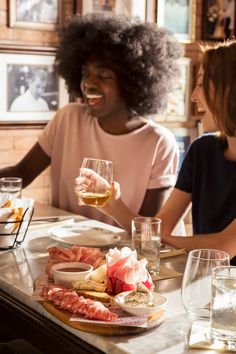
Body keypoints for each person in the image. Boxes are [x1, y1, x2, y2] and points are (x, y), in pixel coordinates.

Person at [1, 12, 181, 227]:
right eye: (86, 74)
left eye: (104, 76)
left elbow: (148, 227)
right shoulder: (68, 118)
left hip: (120, 257)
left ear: (132, 83)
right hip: (60, 250)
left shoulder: (159, 143)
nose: (89, 84)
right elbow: (21, 174)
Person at [76, 40, 236, 260]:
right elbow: (158, 228)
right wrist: (112, 203)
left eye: (201, 83)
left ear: (230, 90)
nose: (193, 96)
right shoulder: (202, 151)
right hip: (205, 283)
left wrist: (162, 239)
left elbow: (223, 247)